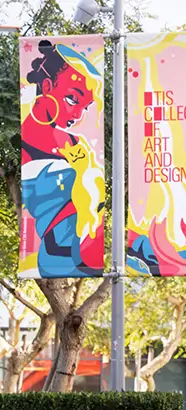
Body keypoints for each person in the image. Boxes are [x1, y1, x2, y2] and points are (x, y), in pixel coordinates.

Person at [20, 39, 105, 278]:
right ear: (46, 86)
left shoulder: (77, 143)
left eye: (85, 107)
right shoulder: (28, 144)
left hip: (79, 251)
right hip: (53, 254)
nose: (77, 115)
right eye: (72, 99)